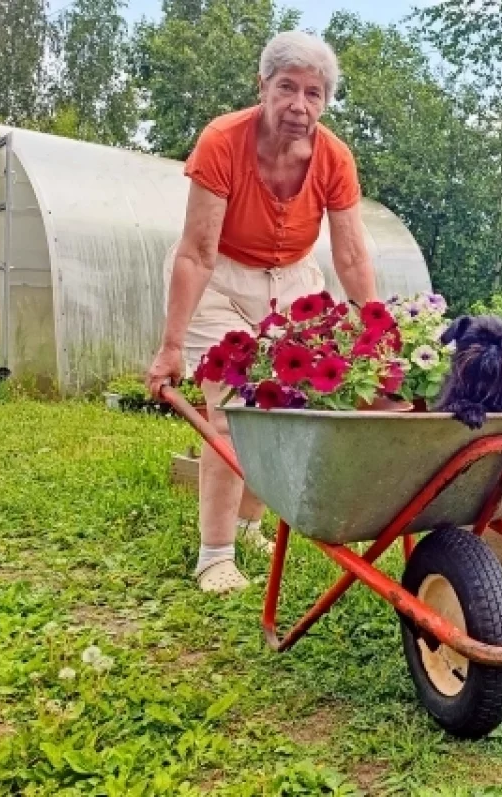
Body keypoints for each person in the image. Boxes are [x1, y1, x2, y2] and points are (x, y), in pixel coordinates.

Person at [146, 30, 379, 593]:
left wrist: (377, 331)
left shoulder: (334, 157)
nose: (300, 106)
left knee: (284, 402)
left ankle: (250, 526)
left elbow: (349, 252)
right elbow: (198, 251)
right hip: (219, 279)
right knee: (231, 411)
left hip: (294, 280)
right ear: (262, 87)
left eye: (315, 94)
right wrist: (172, 345)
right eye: (287, 88)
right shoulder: (223, 141)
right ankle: (215, 555)